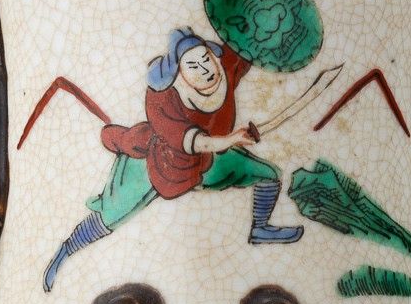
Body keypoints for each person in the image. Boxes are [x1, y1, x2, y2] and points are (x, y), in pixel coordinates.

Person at [43, 29, 302, 290]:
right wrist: (232, 139)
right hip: (159, 165)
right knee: (110, 215)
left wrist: (277, 35)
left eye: (206, 59)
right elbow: (196, 142)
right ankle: (65, 251)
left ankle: (260, 228)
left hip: (210, 162)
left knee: (268, 175)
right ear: (179, 73)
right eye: (193, 66)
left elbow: (250, 44)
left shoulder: (225, 67)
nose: (205, 69)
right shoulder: (163, 100)